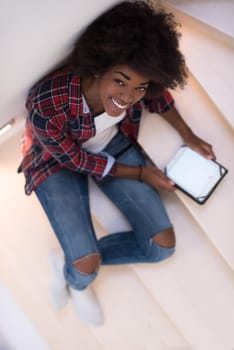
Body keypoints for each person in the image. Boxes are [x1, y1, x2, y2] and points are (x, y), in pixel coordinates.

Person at [18, 0, 215, 326]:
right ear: (98, 67)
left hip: (110, 144)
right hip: (53, 162)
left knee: (160, 248)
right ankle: (77, 274)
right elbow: (76, 159)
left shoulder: (141, 87)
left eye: (139, 87)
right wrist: (140, 173)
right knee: (85, 267)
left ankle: (71, 261)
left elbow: (160, 97)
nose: (128, 96)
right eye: (120, 82)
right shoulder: (48, 101)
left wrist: (189, 134)